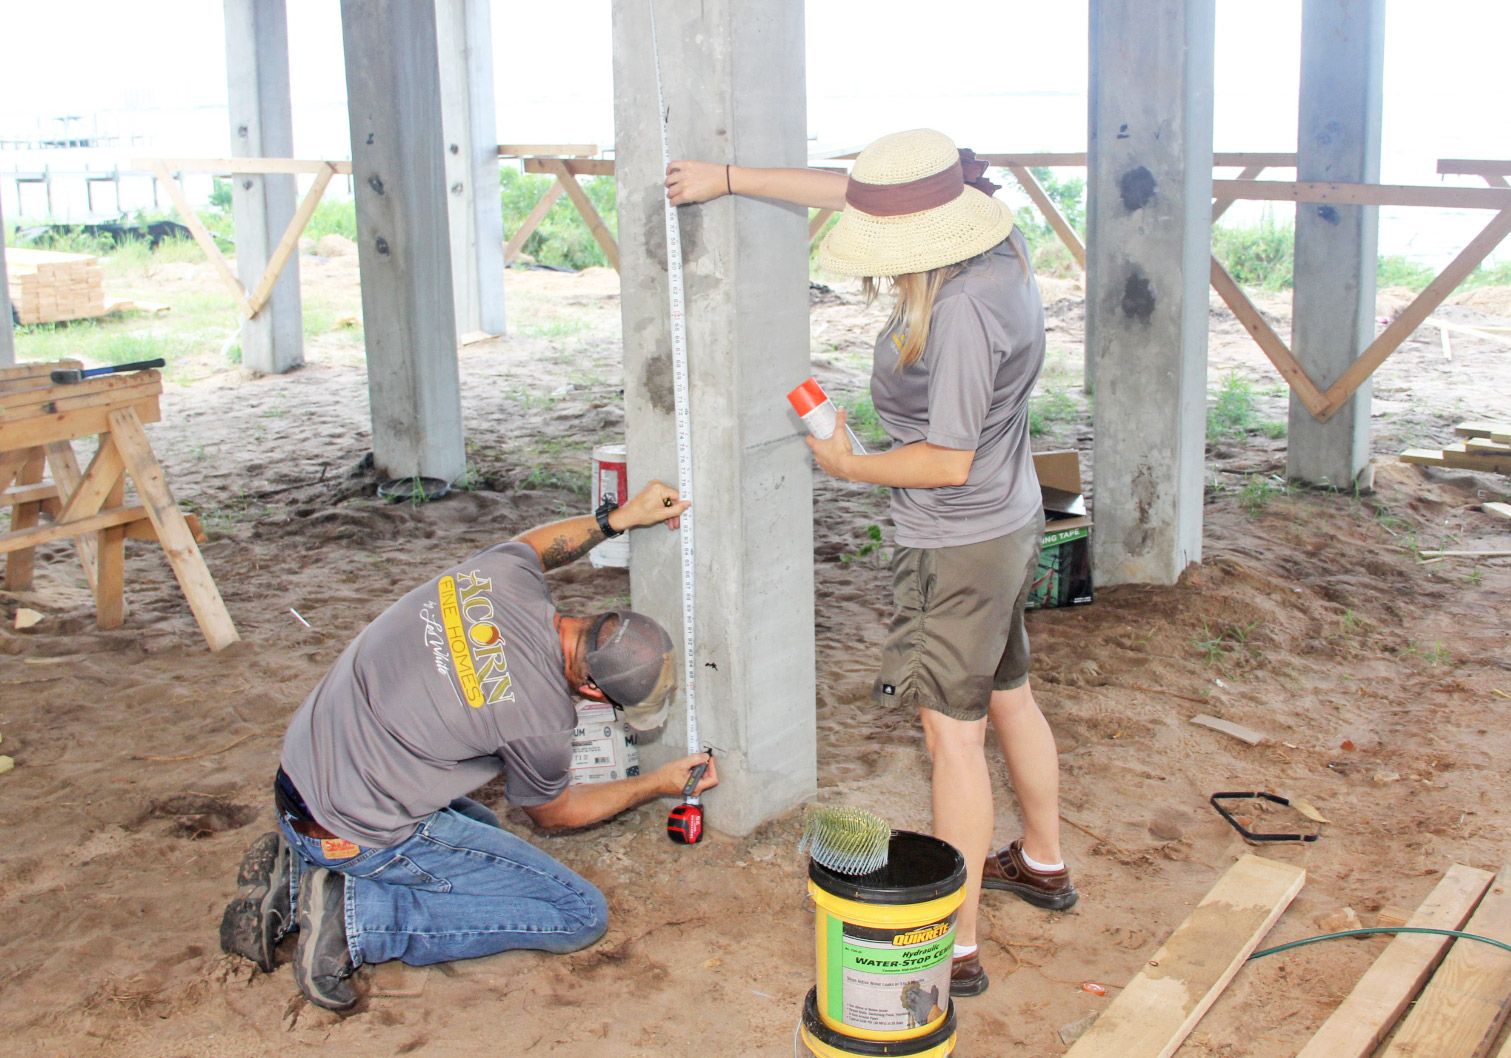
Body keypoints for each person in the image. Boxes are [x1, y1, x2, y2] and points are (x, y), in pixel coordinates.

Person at [667, 128, 1074, 998]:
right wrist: (730, 177)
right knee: (1008, 696)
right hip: (1007, 521)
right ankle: (1041, 861)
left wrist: (848, 463)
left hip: (955, 542)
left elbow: (943, 459)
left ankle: (955, 947)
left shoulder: (958, 310)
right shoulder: (1001, 249)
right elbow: (851, 190)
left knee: (951, 739)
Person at [219, 479, 717, 1011]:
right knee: (578, 913)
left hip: (304, 769)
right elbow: (552, 814)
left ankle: (296, 873)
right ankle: (360, 919)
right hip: (352, 823)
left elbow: (537, 545)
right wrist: (657, 784)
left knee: (486, 829)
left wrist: (615, 519)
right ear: (593, 689)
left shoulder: (505, 579)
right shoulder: (542, 720)